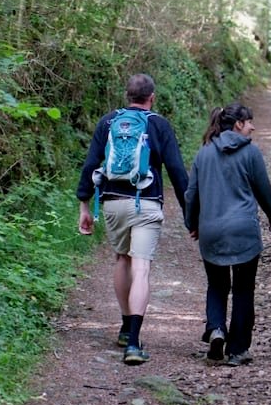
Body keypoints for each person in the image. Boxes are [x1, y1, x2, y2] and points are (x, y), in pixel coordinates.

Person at [77, 74, 189, 365]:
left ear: (127, 96)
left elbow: (91, 164)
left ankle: (126, 327)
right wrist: (192, 213)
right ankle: (135, 344)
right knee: (141, 268)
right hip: (146, 202)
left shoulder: (108, 122)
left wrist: (84, 205)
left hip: (113, 203)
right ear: (152, 96)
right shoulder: (159, 124)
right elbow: (176, 170)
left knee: (122, 260)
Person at [185, 104, 271, 367]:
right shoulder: (250, 152)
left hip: (211, 231)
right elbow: (264, 190)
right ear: (238, 124)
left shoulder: (203, 154)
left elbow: (191, 194)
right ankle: (237, 349)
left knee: (216, 285)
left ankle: (216, 328)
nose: (253, 127)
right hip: (244, 232)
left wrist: (191, 223)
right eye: (249, 122)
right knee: (243, 289)